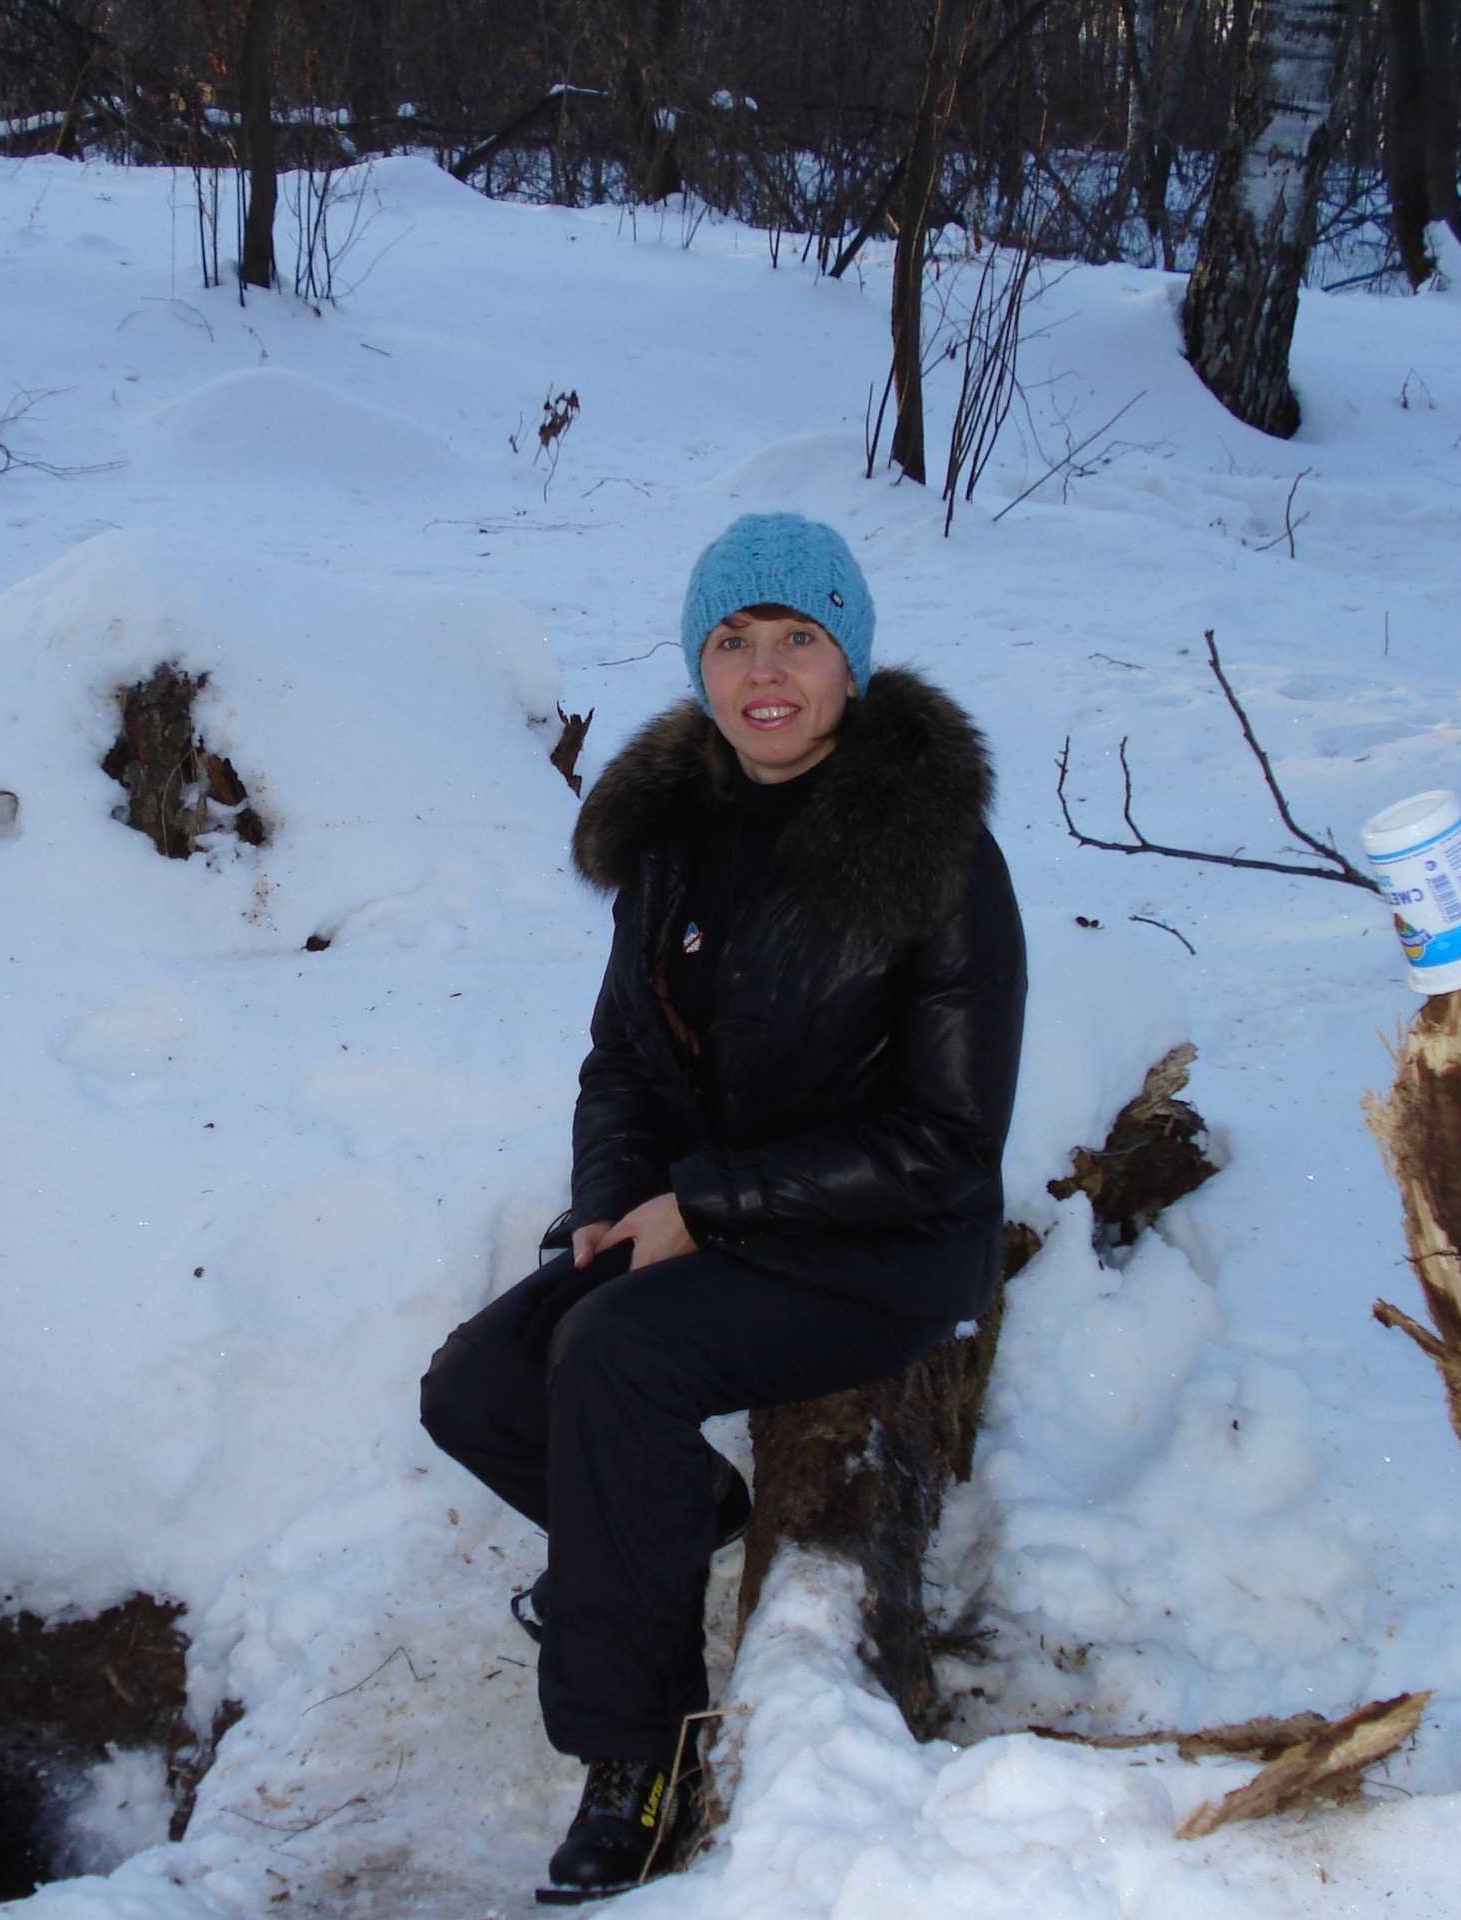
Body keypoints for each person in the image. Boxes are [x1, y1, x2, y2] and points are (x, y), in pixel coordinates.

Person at [419, 512, 1027, 1903]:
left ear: (849, 659)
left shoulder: (932, 850)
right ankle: (656, 1527)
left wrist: (706, 1203)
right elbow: (623, 1060)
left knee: (614, 1357)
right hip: (709, 1213)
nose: (766, 672)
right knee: (476, 1391)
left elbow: (946, 1143)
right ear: (699, 662)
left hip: (879, 1242)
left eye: (798, 638)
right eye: (734, 640)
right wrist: (610, 1199)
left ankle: (639, 1756)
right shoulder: (673, 833)